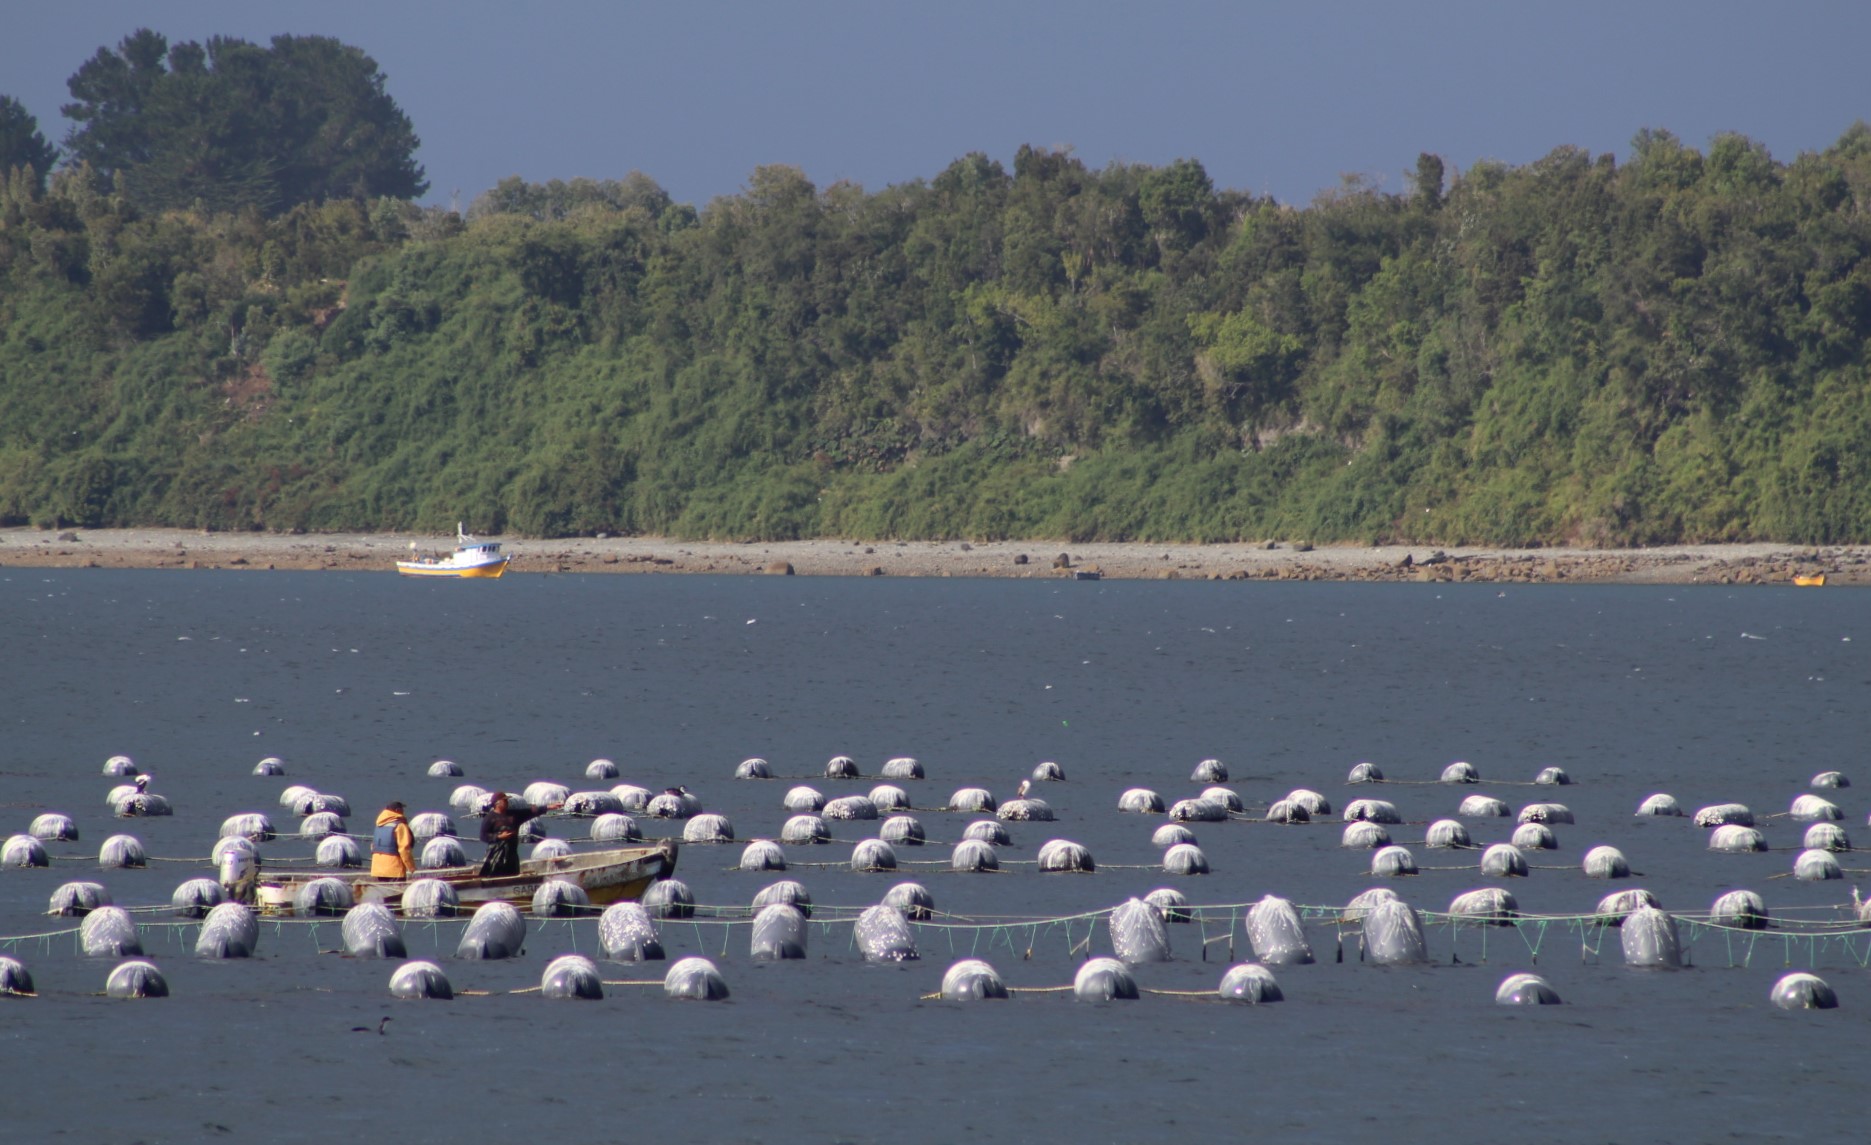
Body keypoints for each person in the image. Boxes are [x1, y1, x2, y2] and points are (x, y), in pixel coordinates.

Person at [479, 792, 560, 877]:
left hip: (511, 855)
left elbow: (530, 811)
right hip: (496, 854)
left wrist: (548, 807)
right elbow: (483, 836)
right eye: (505, 801)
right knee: (492, 875)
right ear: (497, 803)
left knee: (512, 876)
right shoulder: (490, 818)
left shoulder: (513, 815)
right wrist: (499, 837)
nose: (507, 802)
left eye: (507, 800)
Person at [371, 801, 416, 879]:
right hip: (394, 870)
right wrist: (411, 868)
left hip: (378, 869)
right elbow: (404, 849)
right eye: (402, 809)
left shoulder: (379, 825)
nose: (403, 811)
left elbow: (373, 847)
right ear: (397, 810)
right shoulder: (400, 826)